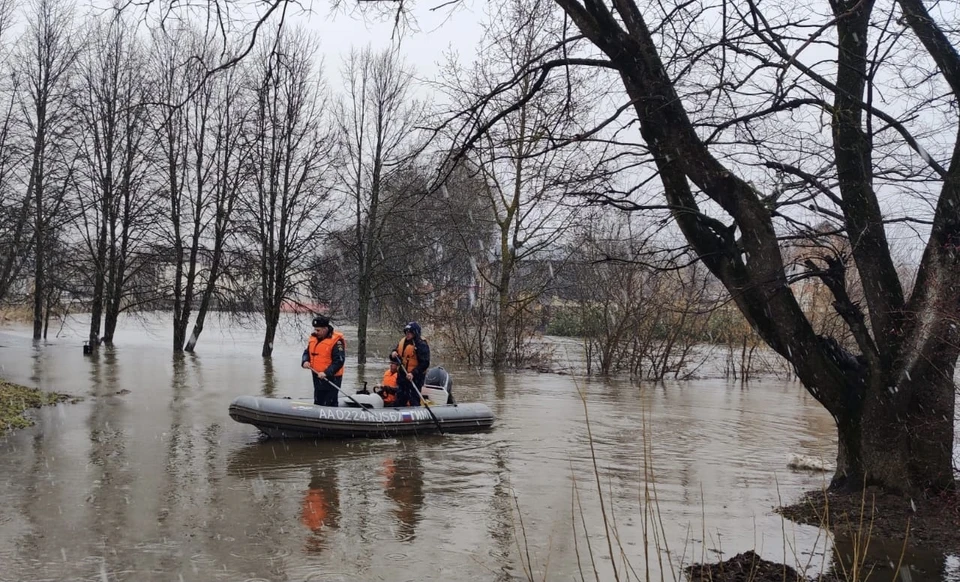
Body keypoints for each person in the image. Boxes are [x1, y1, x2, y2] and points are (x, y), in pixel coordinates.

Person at [301, 316, 345, 407]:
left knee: (329, 402)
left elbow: (339, 361)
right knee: (318, 400)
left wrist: (326, 373)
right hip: (316, 375)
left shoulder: (337, 342)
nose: (316, 332)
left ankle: (332, 417)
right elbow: (307, 352)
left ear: (325, 329)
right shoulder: (313, 339)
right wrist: (305, 360)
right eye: (315, 330)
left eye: (318, 330)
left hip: (331, 378)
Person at [390, 321, 430, 407]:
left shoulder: (421, 344)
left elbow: (425, 363)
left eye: (410, 332)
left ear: (415, 333)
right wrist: (393, 354)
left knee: (413, 399)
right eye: (406, 332)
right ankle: (399, 415)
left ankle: (417, 415)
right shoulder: (403, 342)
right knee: (400, 398)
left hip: (415, 378)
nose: (407, 334)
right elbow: (396, 353)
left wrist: (413, 373)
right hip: (402, 376)